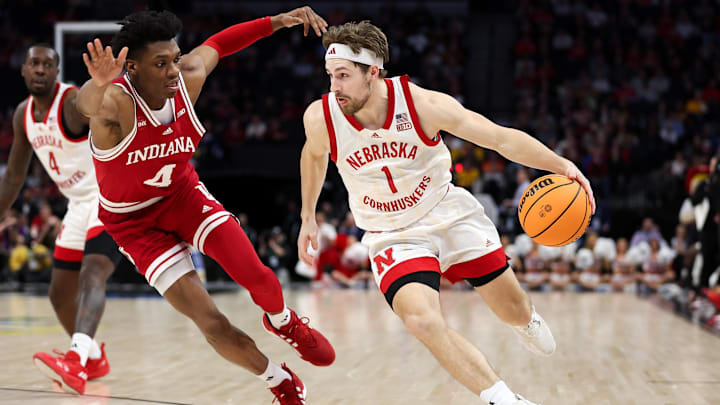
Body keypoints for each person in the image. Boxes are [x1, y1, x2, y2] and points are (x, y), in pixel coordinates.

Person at [43, 9, 334, 403]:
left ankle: (283, 322)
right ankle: (279, 380)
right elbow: (86, 105)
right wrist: (97, 83)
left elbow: (221, 43)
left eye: (174, 60)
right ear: (131, 68)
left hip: (182, 197)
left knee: (258, 275)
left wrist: (279, 21)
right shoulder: (115, 103)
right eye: (160, 64)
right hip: (134, 225)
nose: (171, 71)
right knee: (210, 321)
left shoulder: (187, 79)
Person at [298, 21, 596, 405]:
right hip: (391, 234)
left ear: (373, 71)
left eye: (343, 76)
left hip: (447, 214)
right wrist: (308, 216)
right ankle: (503, 399)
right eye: (330, 76)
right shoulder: (321, 117)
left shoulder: (422, 104)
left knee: (513, 308)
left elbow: (499, 138)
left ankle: (525, 319)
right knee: (421, 320)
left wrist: (562, 165)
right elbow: (313, 155)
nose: (334, 87)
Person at [0, 44, 123, 389]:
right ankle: (94, 360)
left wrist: (99, 85)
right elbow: (12, 178)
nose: (40, 69)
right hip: (77, 203)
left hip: (108, 197)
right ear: (23, 70)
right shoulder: (23, 115)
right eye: (33, 63)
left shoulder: (69, 104)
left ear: (56, 72)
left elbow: (89, 101)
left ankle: (76, 359)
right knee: (58, 293)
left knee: (94, 272)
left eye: (47, 64)